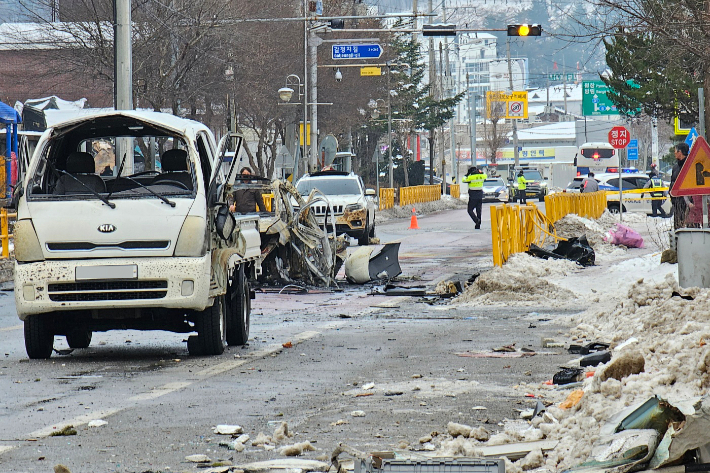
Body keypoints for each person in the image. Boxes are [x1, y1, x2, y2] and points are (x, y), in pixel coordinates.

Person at [670, 143, 690, 229]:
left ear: (680, 152)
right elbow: (672, 182)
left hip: (688, 203)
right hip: (676, 202)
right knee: (678, 228)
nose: (674, 153)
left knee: (688, 228)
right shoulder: (675, 167)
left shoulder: (689, 165)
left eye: (675, 151)